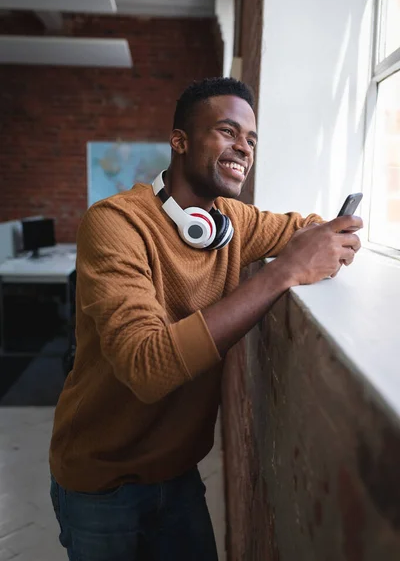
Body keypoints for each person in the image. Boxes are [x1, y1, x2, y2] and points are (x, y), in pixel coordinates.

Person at [49, 77, 362, 560]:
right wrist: (284, 273)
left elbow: (306, 229)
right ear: (180, 141)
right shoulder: (115, 224)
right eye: (227, 131)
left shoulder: (232, 223)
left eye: (252, 139)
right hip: (101, 484)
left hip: (178, 475)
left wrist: (326, 240)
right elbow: (146, 368)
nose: (244, 147)